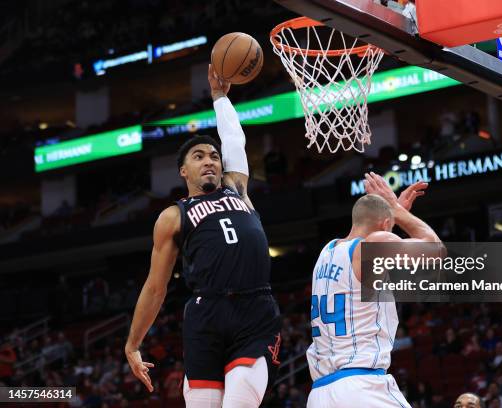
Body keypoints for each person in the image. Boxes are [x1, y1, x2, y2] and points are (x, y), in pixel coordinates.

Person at [125, 66, 281, 408]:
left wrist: (220, 98)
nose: (209, 161)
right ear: (184, 171)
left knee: (239, 401)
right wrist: (133, 343)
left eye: (213, 156)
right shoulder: (173, 216)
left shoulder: (236, 189)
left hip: (254, 311)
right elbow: (155, 286)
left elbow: (234, 140)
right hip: (205, 316)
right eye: (199, 157)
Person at [306, 173, 444, 407]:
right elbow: (436, 251)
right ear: (384, 226)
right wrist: (398, 212)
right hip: (362, 386)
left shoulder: (326, 252)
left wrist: (390, 212)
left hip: (320, 394)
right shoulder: (372, 246)